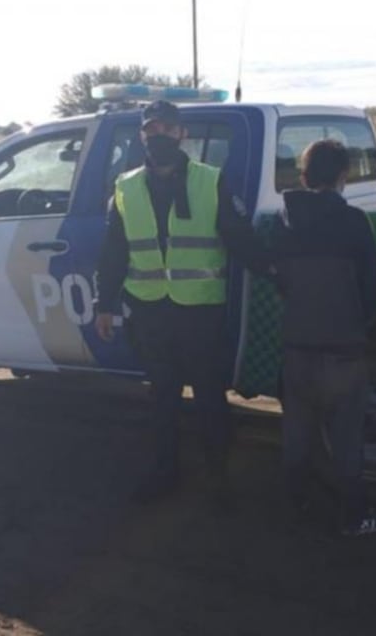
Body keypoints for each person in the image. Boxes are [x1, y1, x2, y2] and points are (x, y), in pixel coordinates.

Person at [94, 100, 273, 503]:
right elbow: (114, 252)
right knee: (162, 399)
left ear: (181, 135)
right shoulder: (125, 188)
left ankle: (218, 478)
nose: (159, 136)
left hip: (199, 314)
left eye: (166, 129)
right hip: (150, 311)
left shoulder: (211, 181)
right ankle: (164, 473)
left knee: (210, 398)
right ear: (142, 135)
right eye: (151, 129)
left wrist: (275, 272)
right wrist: (104, 304)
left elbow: (239, 238)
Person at [273, 139, 376, 537]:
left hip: (296, 348)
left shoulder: (283, 221)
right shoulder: (355, 223)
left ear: (304, 177)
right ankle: (355, 516)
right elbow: (371, 286)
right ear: (344, 177)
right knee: (346, 441)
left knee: (297, 436)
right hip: (343, 349)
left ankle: (295, 506)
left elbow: (281, 283)